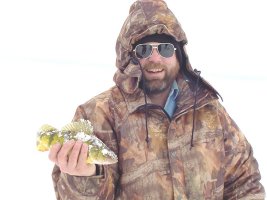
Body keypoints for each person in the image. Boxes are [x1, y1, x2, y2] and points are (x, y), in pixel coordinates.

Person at [48, 0, 265, 199]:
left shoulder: (210, 111)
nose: (154, 58)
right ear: (130, 56)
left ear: (179, 54)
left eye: (164, 48)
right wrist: (84, 177)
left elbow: (245, 183)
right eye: (143, 50)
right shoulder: (98, 114)